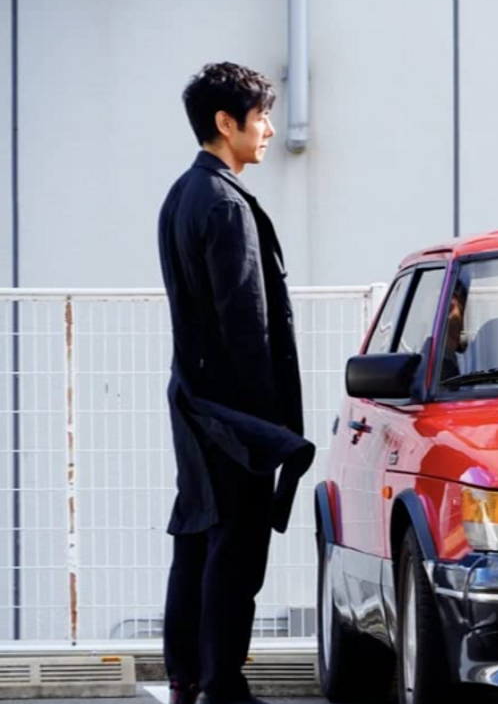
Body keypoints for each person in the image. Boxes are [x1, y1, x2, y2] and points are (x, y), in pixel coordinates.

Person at [157, 62, 314, 704]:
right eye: (261, 117)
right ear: (227, 123)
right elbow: (247, 324)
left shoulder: (183, 194)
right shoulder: (224, 203)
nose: (270, 129)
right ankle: (222, 685)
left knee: (197, 534)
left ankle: (187, 677)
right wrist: (268, 426)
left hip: (195, 398)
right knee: (235, 549)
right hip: (233, 409)